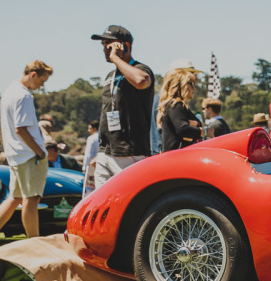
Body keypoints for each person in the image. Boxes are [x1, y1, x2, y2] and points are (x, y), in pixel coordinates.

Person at [0, 61, 51, 257]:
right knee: (31, 199)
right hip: (29, 155)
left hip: (15, 155)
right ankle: (34, 244)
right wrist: (40, 152)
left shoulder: (9, 91)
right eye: (42, 80)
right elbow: (21, 128)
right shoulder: (24, 95)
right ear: (33, 74)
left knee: (14, 198)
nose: (42, 85)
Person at [91, 24, 154, 188]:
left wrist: (117, 58)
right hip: (106, 151)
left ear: (125, 46)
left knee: (130, 203)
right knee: (102, 204)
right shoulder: (110, 76)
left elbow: (141, 81)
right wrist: (100, 151)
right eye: (103, 44)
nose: (105, 49)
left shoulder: (140, 69)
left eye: (109, 44)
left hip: (129, 152)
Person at [157, 62, 202, 152]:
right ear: (182, 85)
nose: (194, 87)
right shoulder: (176, 105)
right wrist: (203, 131)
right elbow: (182, 128)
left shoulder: (173, 104)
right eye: (190, 83)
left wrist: (193, 124)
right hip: (176, 157)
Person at [82, 120, 99, 198]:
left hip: (92, 166)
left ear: (94, 128)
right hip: (100, 164)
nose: (88, 130)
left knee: (90, 188)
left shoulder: (91, 138)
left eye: (90, 128)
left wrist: (85, 168)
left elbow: (88, 154)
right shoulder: (103, 137)